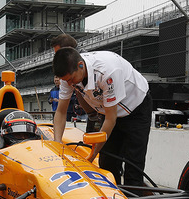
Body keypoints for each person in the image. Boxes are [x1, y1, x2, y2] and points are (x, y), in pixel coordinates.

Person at [53, 48, 152, 187]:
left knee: (133, 164)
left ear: (81, 65)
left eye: (71, 79)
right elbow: (61, 112)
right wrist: (57, 144)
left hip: (136, 107)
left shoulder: (107, 72)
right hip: (107, 111)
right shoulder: (68, 75)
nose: (69, 84)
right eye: (65, 81)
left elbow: (111, 119)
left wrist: (92, 155)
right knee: (107, 163)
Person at [50, 33, 102, 131]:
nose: (57, 57)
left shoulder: (95, 69)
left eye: (58, 53)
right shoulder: (68, 71)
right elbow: (61, 110)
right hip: (94, 115)